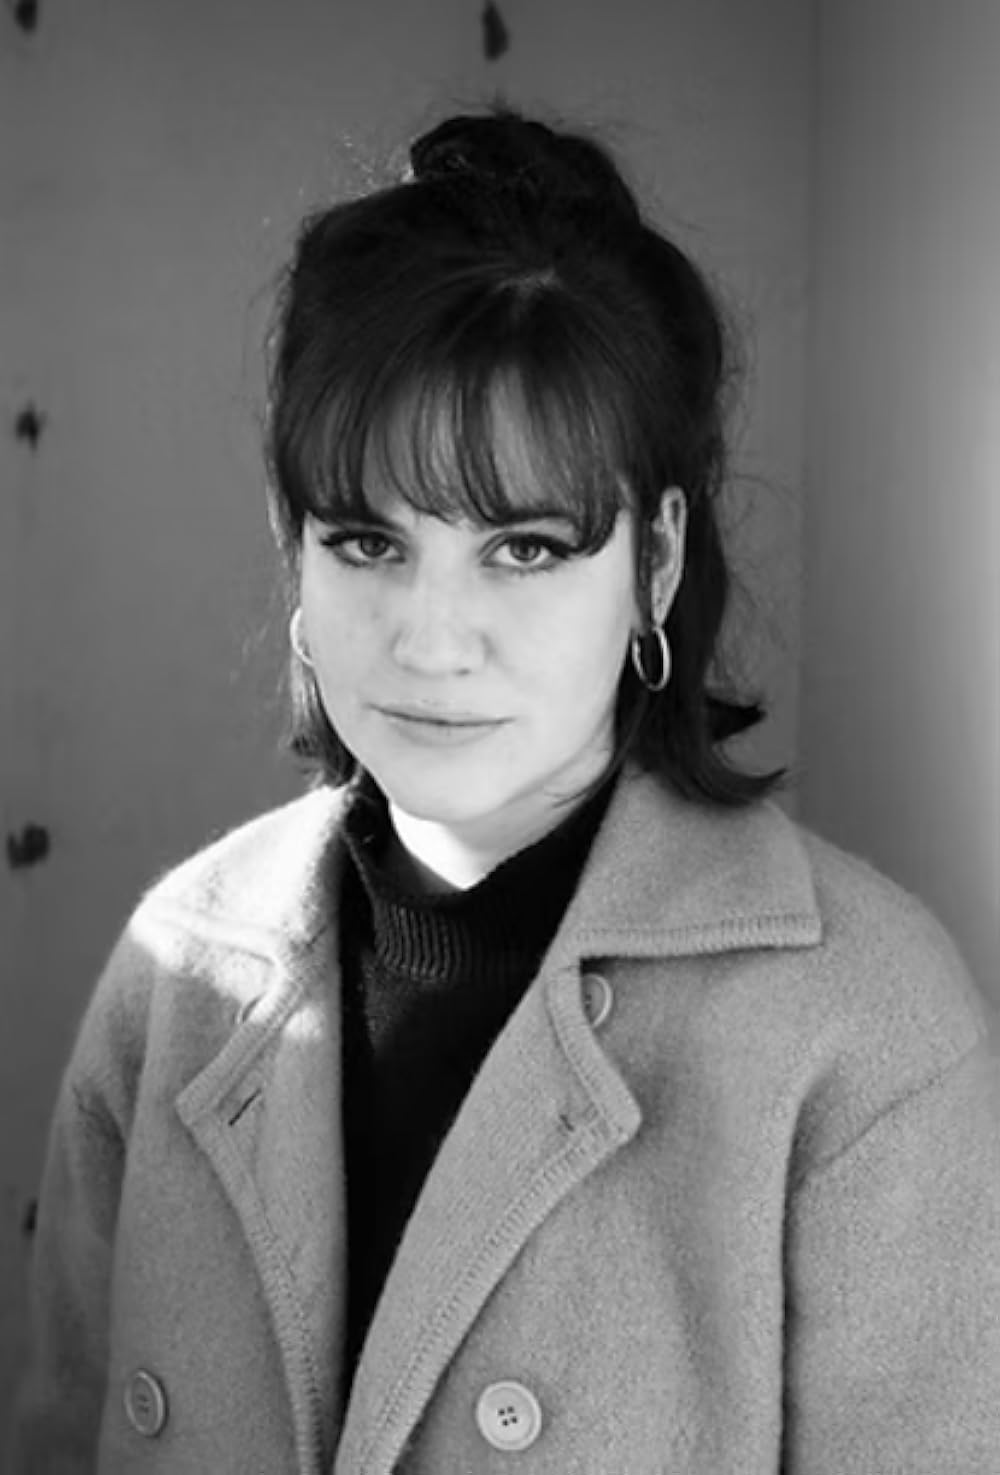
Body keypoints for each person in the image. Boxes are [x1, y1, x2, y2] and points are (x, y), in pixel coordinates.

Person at [10, 103, 1000, 1474]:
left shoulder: (867, 1032)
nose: (430, 641)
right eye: (367, 542)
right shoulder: (174, 972)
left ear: (656, 563)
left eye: (525, 548)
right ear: (296, 551)